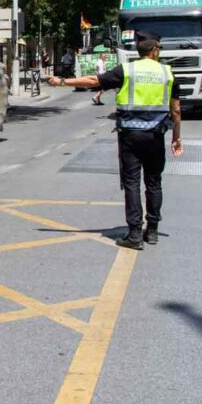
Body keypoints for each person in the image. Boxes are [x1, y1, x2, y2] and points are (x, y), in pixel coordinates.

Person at [47, 31, 182, 250]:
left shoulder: (127, 70)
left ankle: (135, 233)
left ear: (139, 50)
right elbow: (176, 110)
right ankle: (153, 231)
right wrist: (177, 137)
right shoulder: (167, 73)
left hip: (130, 137)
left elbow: (93, 81)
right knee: (154, 183)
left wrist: (62, 81)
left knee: (131, 183)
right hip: (155, 137)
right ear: (155, 50)